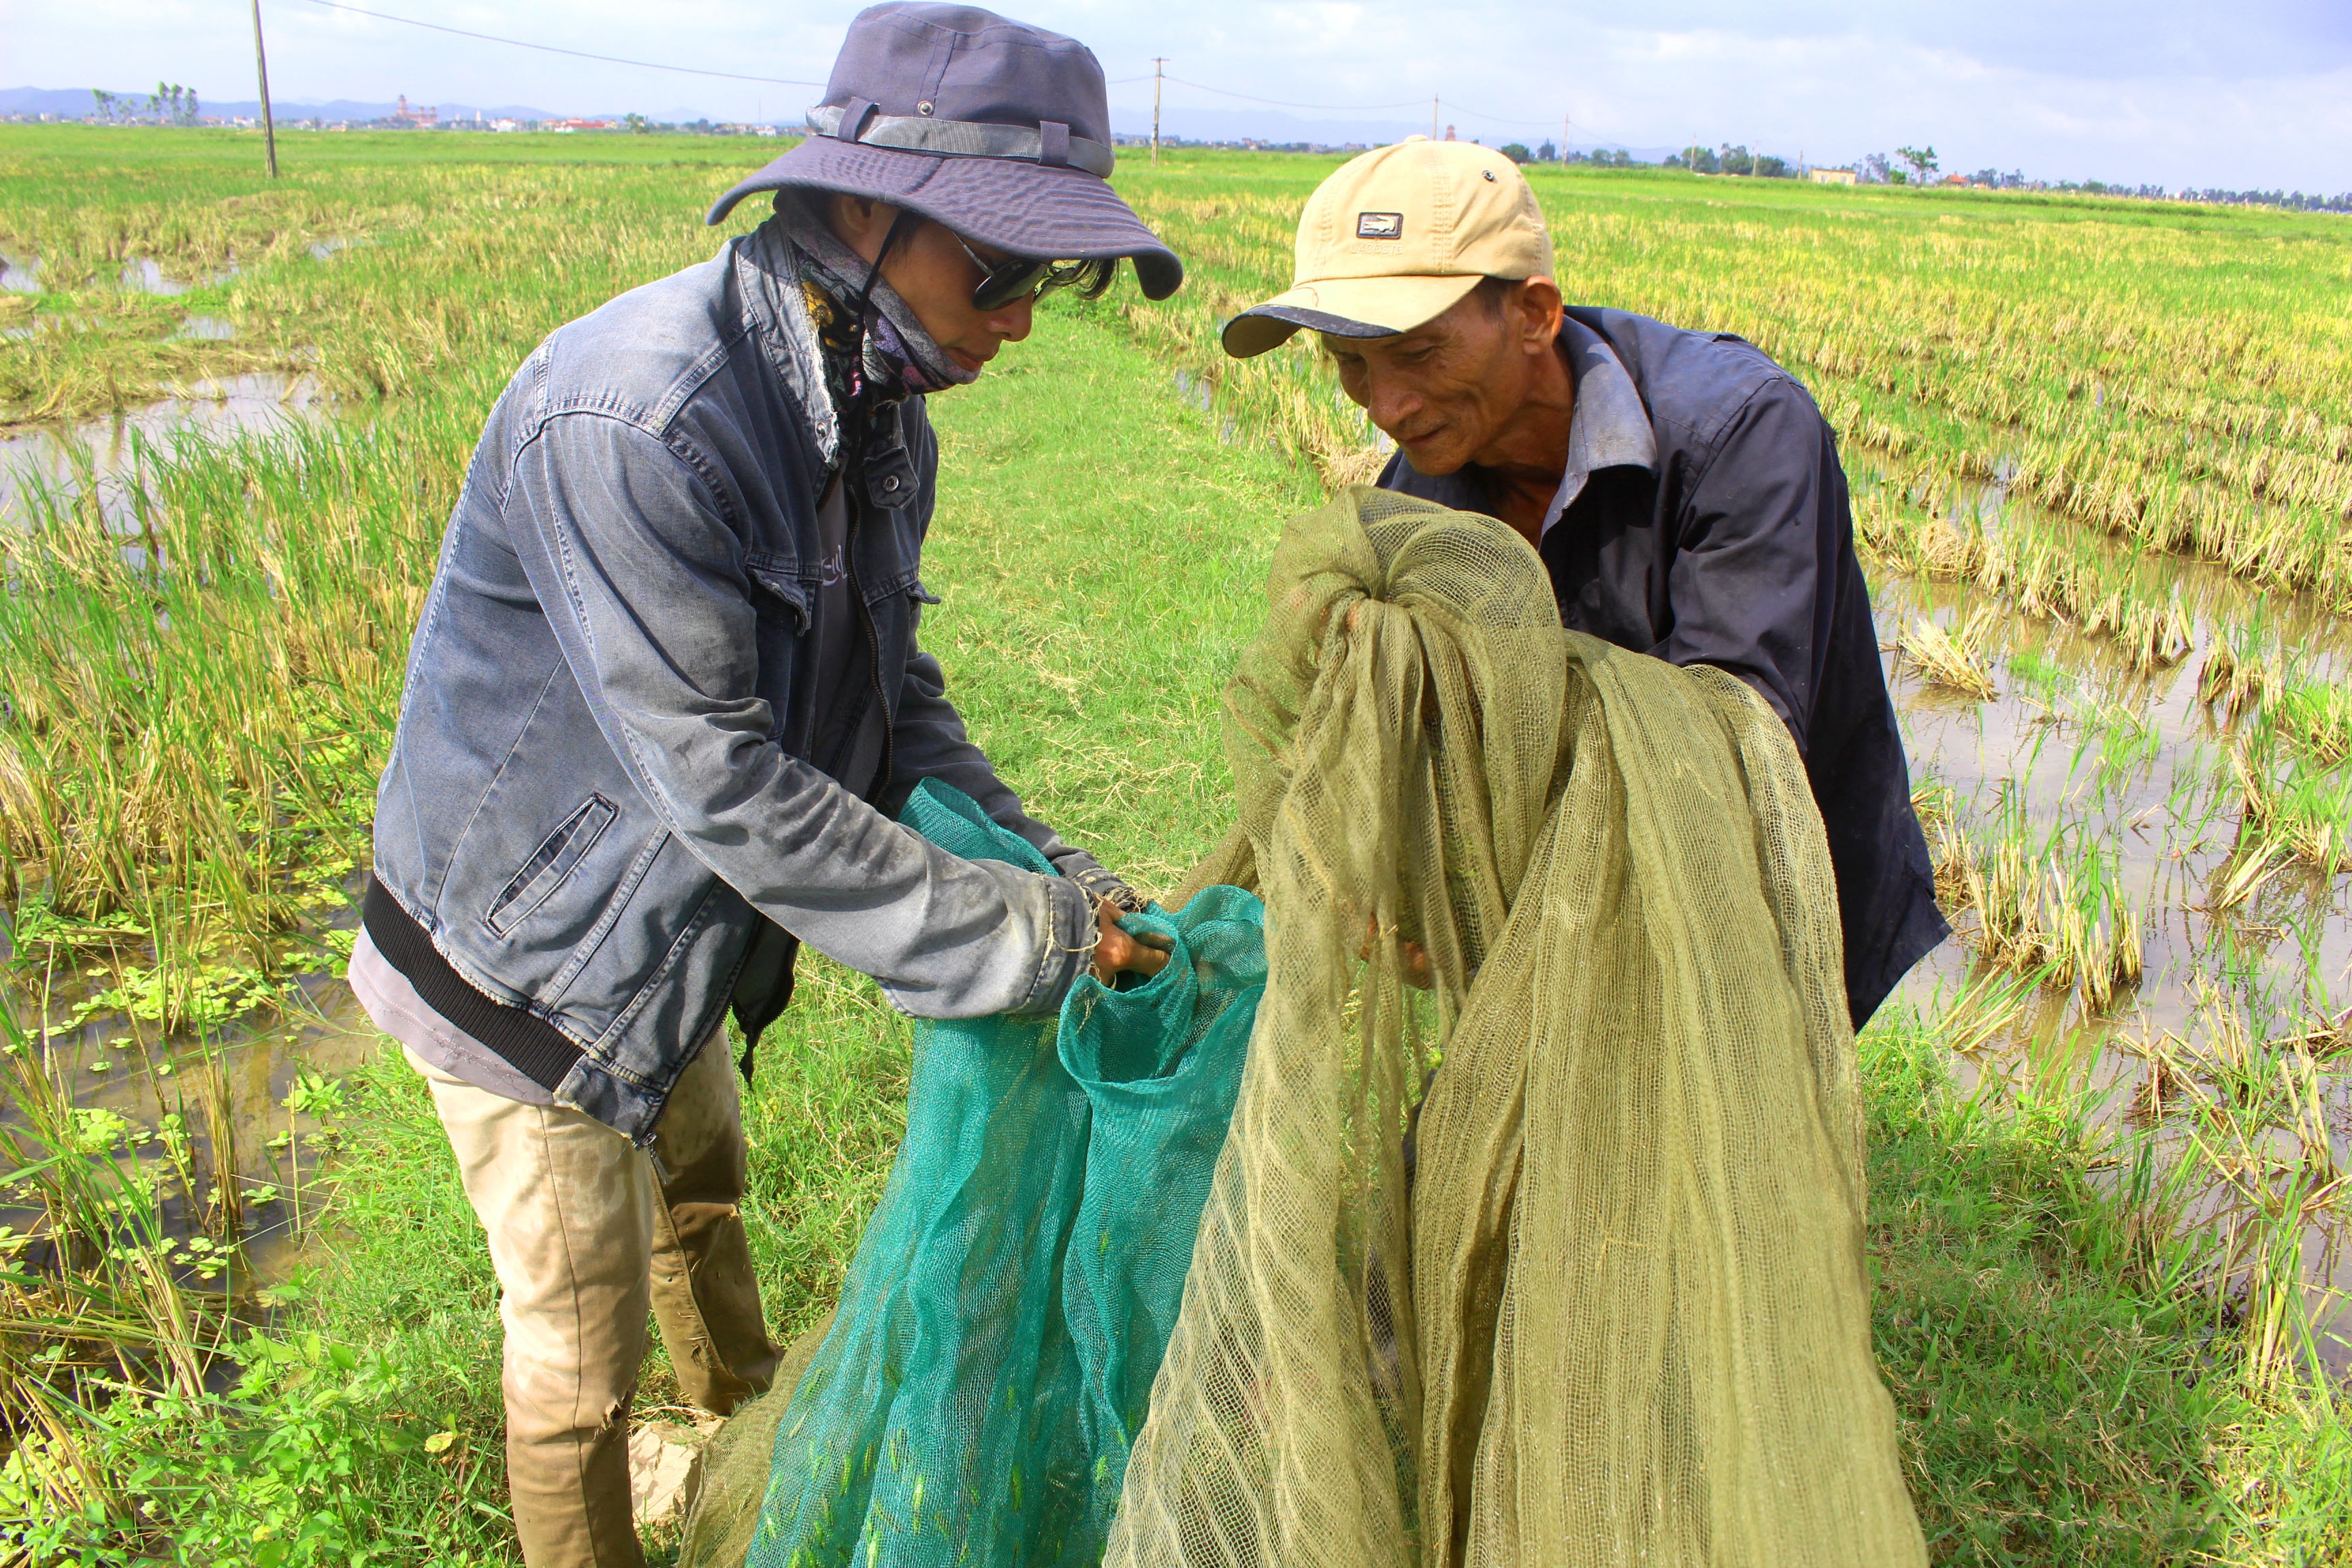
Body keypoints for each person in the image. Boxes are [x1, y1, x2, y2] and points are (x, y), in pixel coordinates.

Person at [346, 7, 1178, 1564]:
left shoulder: (880, 411)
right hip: (532, 956)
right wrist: (1045, 945)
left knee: (704, 1189)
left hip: (676, 934)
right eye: (1001, 270)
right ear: (863, 211)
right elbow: (724, 785)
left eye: (1046, 285)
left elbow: (890, 698)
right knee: (575, 1364)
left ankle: (747, 1448)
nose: (1017, 320)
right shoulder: (640, 416)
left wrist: (1064, 876)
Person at [1220, 138, 1946, 1027]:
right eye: (1352, 364)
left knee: (1715, 1131)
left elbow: (1736, 752)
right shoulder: (1416, 496)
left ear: (1533, 315)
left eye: (1418, 353)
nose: (1387, 405)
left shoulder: (1742, 435)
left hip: (1763, 880)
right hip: (1572, 894)